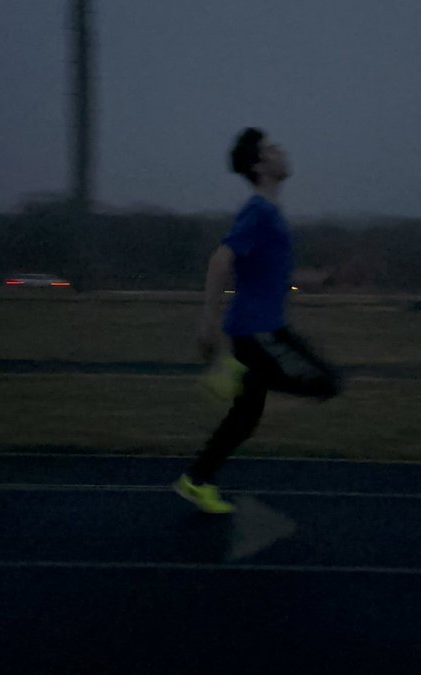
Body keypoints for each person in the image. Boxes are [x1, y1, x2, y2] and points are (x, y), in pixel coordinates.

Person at [174, 127, 342, 514]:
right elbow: (221, 260)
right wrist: (206, 320)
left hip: (254, 330)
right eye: (272, 149)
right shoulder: (260, 212)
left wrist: (329, 278)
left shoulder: (270, 215)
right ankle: (244, 374)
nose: (282, 150)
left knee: (245, 418)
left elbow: (281, 276)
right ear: (259, 165)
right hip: (259, 331)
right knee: (327, 382)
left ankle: (196, 481)